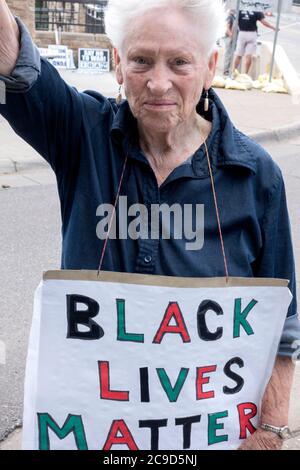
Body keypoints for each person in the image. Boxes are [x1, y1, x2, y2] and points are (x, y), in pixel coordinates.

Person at [0, 0, 299, 450]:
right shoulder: (80, 134)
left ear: (210, 67)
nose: (159, 83)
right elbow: (13, 59)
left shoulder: (257, 177)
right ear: (118, 64)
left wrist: (272, 431)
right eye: (141, 60)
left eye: (180, 62)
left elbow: (284, 322)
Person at [234, 9, 277, 75]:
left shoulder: (240, 9)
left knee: (239, 55)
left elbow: (235, 22)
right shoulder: (257, 10)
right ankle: (245, 74)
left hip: (242, 33)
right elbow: (263, 22)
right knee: (249, 56)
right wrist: (273, 28)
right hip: (252, 34)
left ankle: (234, 72)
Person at [223, 9, 236, 76]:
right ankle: (226, 70)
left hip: (229, 37)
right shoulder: (230, 17)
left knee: (230, 54)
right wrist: (231, 36)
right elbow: (227, 28)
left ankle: (227, 70)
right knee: (228, 54)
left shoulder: (232, 17)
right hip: (228, 38)